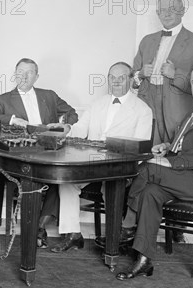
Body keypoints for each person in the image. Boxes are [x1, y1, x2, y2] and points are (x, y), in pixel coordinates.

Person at [116, 64, 193, 281]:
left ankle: (126, 228)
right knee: (150, 192)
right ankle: (144, 260)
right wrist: (166, 147)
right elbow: (183, 144)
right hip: (186, 178)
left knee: (148, 168)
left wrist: (171, 163)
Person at [50, 62, 153, 253]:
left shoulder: (142, 110)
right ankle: (73, 235)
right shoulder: (97, 104)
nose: (115, 82)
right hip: (91, 162)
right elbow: (82, 128)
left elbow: (140, 147)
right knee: (67, 181)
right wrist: (68, 130)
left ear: (131, 80)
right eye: (112, 78)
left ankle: (114, 240)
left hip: (119, 167)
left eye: (121, 78)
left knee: (111, 186)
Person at [0, 58, 78, 246]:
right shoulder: (4, 99)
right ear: (15, 74)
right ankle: (39, 229)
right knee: (37, 177)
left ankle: (38, 227)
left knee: (58, 178)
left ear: (36, 76)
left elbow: (72, 113)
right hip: (22, 154)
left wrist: (64, 124)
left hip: (50, 150)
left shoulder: (49, 95)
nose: (24, 76)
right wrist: (11, 120)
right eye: (20, 72)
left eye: (29, 73)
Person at [133, 0, 193, 146]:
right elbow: (133, 81)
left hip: (178, 111)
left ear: (182, 11)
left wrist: (176, 74)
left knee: (174, 159)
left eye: (172, 9)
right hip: (147, 108)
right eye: (162, 10)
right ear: (157, 13)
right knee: (146, 157)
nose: (167, 14)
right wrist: (141, 74)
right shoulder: (146, 40)